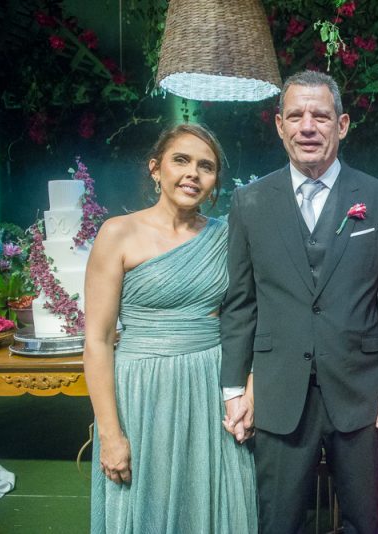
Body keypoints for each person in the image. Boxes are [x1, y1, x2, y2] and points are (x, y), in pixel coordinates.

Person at [220, 70, 378, 533]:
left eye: (320, 115)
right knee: (279, 519)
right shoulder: (249, 202)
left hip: (360, 390)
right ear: (279, 124)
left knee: (365, 520)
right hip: (279, 389)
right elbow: (240, 303)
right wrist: (232, 389)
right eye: (296, 115)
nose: (308, 126)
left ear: (342, 125)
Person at [83, 124, 257, 533]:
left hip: (210, 393)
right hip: (142, 396)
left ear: (215, 182)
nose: (192, 173)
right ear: (155, 169)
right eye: (181, 160)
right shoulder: (117, 234)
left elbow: (248, 319)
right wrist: (110, 435)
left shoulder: (226, 236)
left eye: (206, 166)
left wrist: (248, 388)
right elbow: (97, 341)